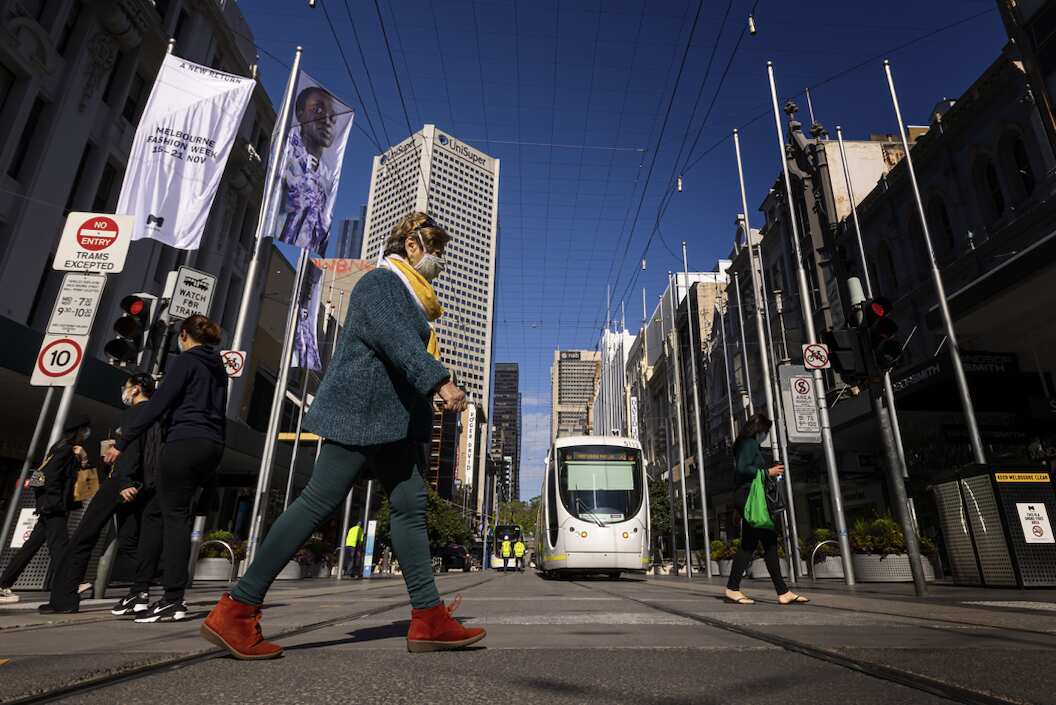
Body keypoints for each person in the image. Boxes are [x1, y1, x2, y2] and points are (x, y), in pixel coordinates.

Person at [201, 212, 485, 659]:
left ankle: (429, 618)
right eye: (437, 252)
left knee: (409, 507)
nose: (441, 262)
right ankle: (236, 608)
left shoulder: (409, 294)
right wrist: (441, 381)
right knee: (317, 502)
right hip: (363, 416)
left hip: (391, 423)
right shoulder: (381, 285)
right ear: (412, 246)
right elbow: (398, 343)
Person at [104, 314, 227, 623]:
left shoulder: (185, 361)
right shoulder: (217, 366)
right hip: (210, 444)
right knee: (159, 512)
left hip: (184, 441)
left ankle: (172, 598)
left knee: (172, 517)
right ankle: (141, 590)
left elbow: (159, 404)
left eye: (178, 336)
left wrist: (123, 441)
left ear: (184, 335)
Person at [41, 375, 165, 614]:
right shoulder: (155, 412)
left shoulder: (135, 412)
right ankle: (155, 581)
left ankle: (64, 599)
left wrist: (125, 480)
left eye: (126, 386)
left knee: (84, 536)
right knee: (129, 541)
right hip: (142, 484)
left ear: (137, 389)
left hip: (120, 482)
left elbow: (132, 448)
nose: (123, 391)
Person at [0, 415, 91, 603]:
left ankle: (3, 584)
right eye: (85, 429)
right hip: (53, 507)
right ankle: (70, 584)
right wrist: (51, 502)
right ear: (79, 431)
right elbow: (44, 477)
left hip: (50, 506)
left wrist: (83, 460)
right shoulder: (65, 450)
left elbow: (81, 487)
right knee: (60, 546)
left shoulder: (61, 448)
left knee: (31, 547)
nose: (87, 433)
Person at [724, 412, 809, 606]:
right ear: (759, 430)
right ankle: (735, 588)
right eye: (766, 432)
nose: (766, 436)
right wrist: (767, 472)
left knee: (759, 543)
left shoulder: (746, 443)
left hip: (747, 496)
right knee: (761, 542)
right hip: (750, 497)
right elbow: (743, 468)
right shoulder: (749, 443)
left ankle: (780, 591)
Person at [278, 86, 338, 252]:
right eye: (317, 109)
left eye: (333, 116)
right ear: (299, 114)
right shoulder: (285, 162)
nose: (327, 120)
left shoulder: (325, 182)